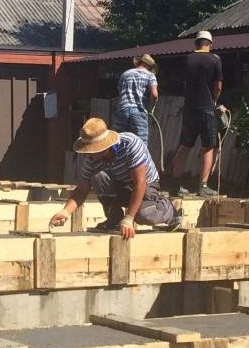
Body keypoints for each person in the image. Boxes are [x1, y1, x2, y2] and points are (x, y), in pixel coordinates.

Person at [49, 117, 179, 239]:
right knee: (98, 176)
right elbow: (82, 190)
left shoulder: (130, 144)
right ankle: (114, 218)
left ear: (102, 147)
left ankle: (170, 211)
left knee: (143, 216)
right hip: (120, 185)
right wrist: (65, 212)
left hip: (145, 186)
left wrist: (129, 218)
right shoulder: (91, 160)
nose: (88, 154)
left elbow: (140, 183)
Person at [167, 30, 223, 197]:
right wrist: (214, 101)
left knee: (185, 145)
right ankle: (203, 186)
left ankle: (175, 184)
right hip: (207, 107)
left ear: (196, 43)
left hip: (190, 107)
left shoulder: (188, 59)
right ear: (210, 44)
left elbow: (183, 82)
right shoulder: (215, 59)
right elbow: (218, 86)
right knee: (208, 146)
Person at [110, 53, 158, 144]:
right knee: (141, 144)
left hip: (122, 110)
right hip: (139, 111)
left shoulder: (125, 74)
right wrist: (151, 109)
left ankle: (115, 153)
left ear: (138, 63)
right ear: (149, 66)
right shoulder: (150, 76)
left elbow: (120, 92)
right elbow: (154, 95)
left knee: (117, 141)